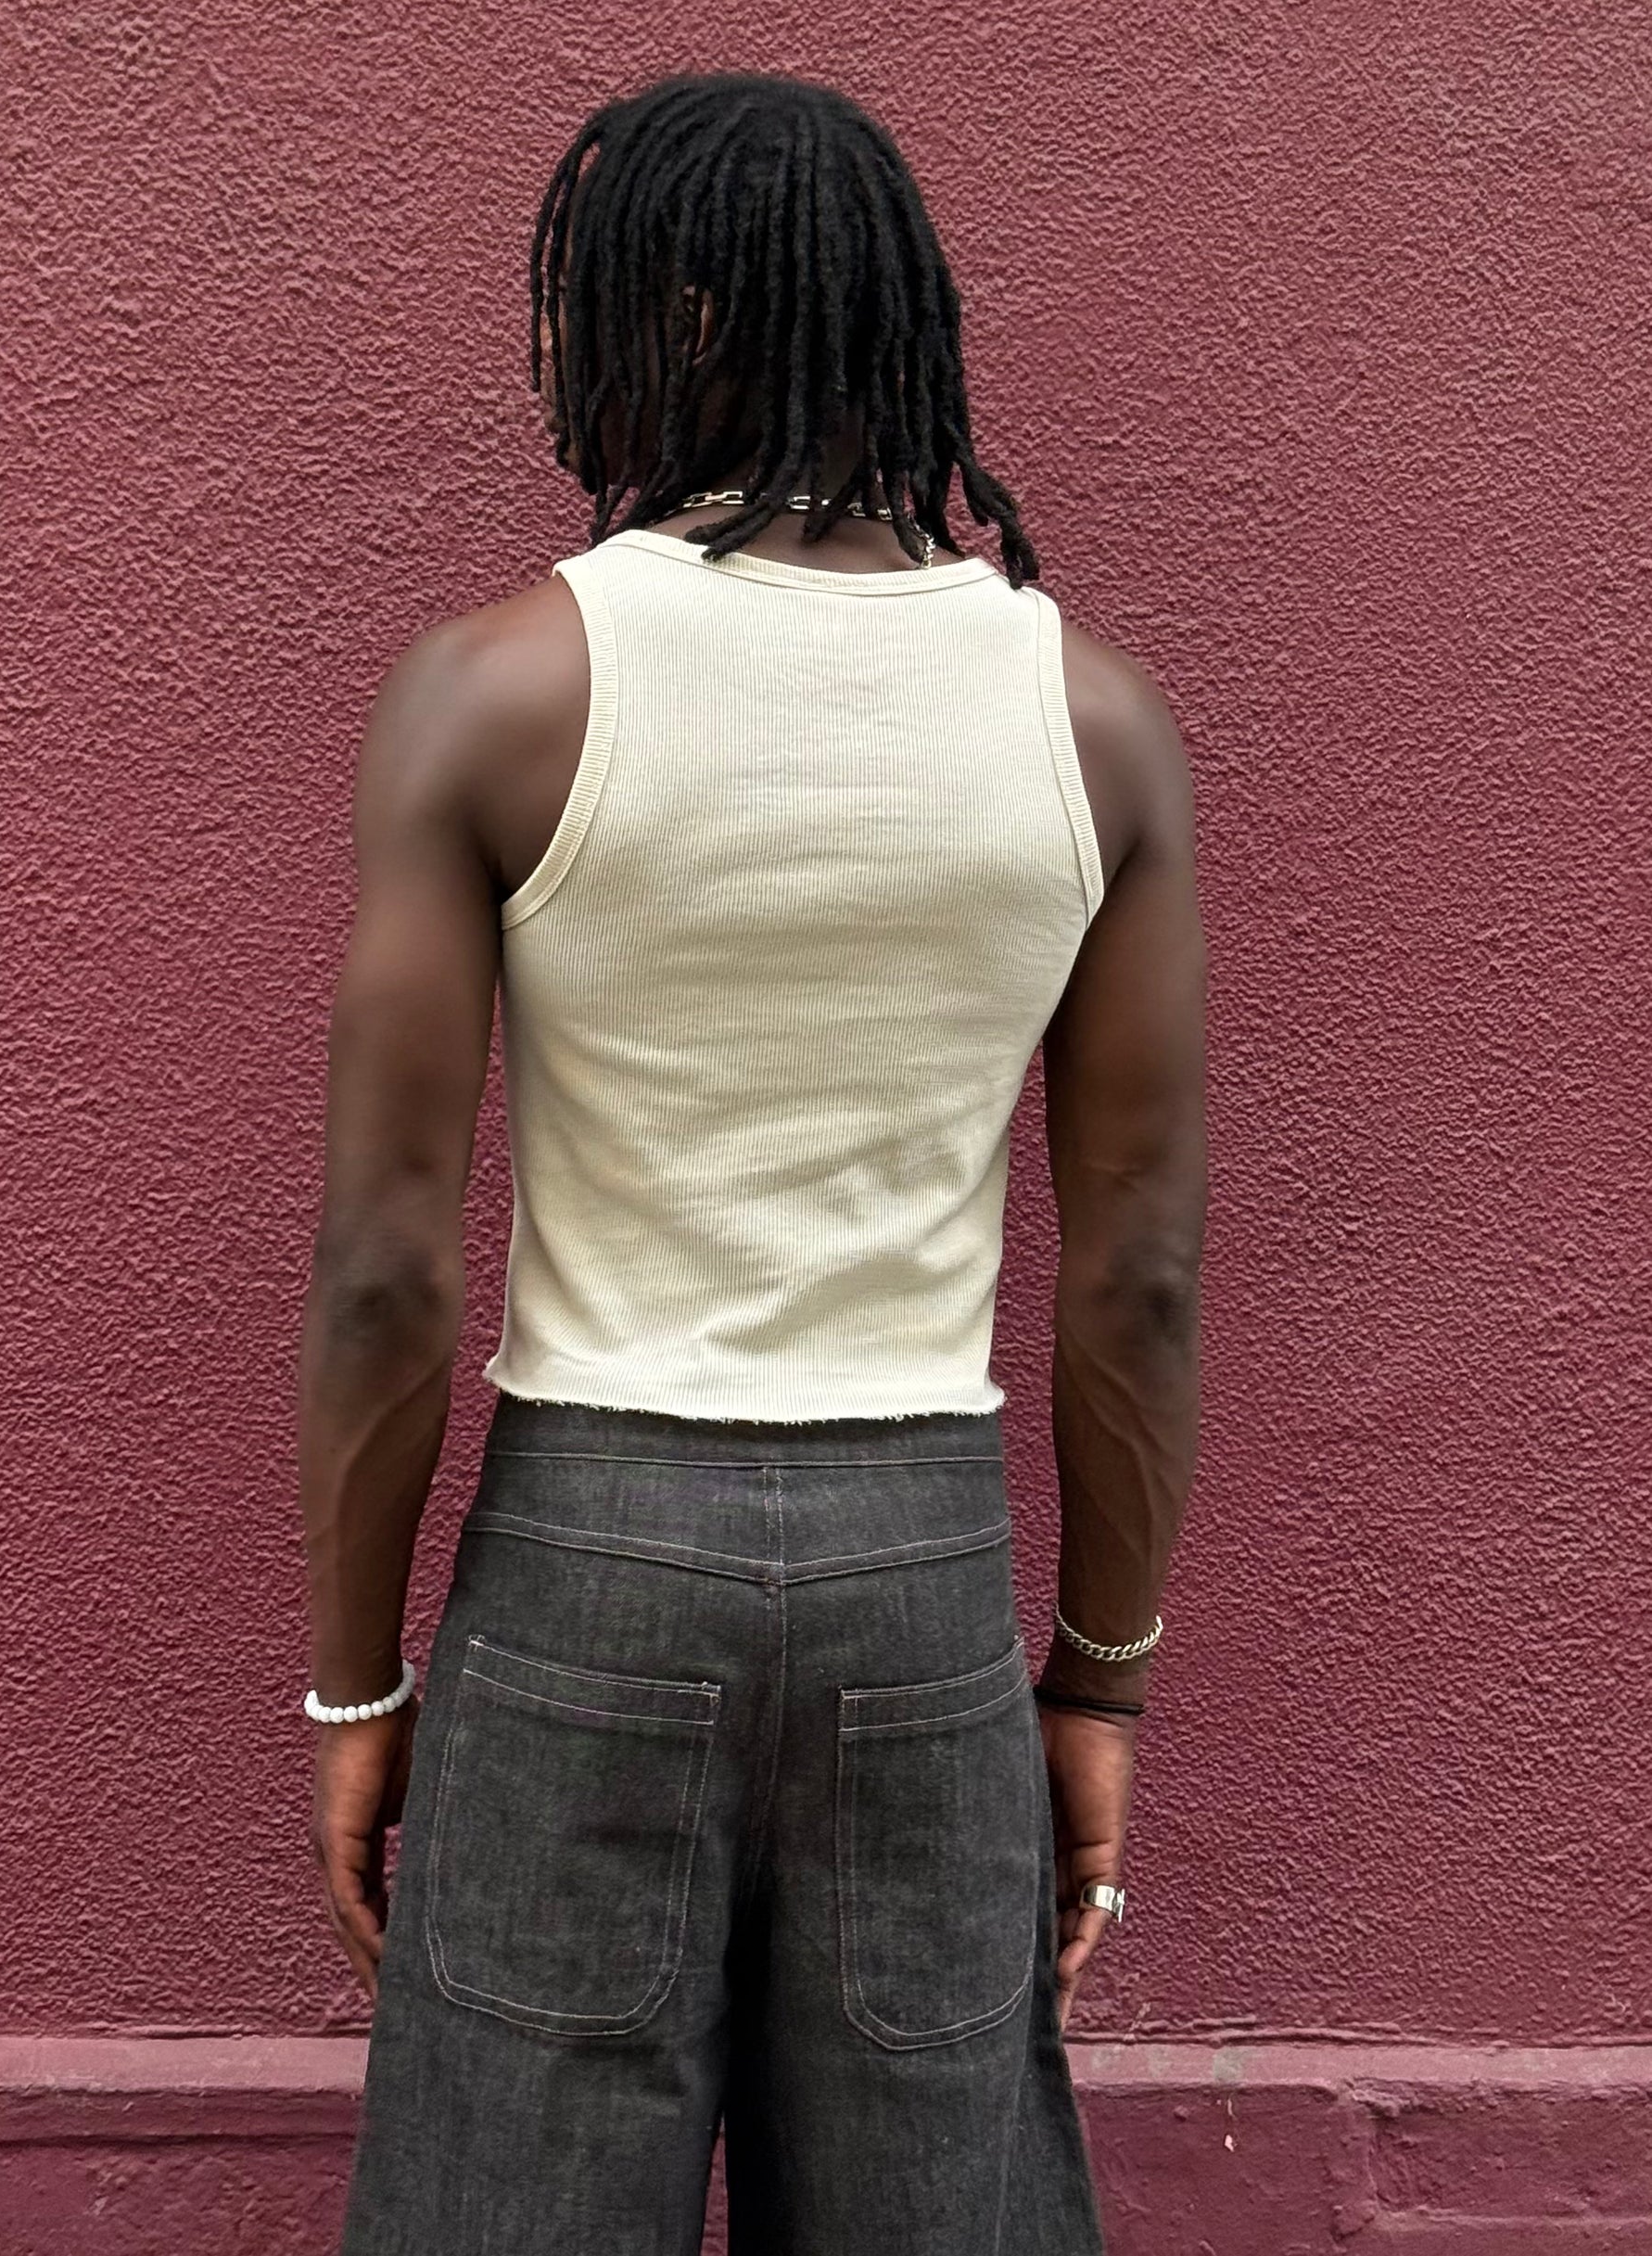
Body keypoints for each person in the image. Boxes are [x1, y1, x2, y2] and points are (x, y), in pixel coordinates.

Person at [301, 68, 1206, 2256]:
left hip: (586, 1557)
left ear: (680, 317)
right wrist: (1097, 1676)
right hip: (921, 1570)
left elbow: (386, 1265)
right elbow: (1138, 1273)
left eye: (571, 301)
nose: (547, 352)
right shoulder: (1091, 722)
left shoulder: (495, 691)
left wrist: (356, 1683)